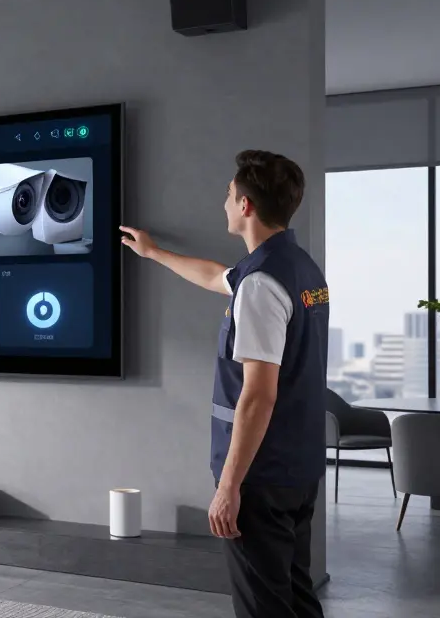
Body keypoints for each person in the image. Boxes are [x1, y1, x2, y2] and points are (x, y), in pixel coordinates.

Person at [121, 150, 327, 618]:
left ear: (247, 206)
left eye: (230, 195)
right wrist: (152, 252)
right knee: (294, 593)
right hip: (298, 466)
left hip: (260, 473)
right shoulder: (298, 269)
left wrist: (229, 487)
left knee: (263, 605)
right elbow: (217, 276)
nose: (225, 202)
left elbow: (257, 394)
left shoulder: (260, 286)